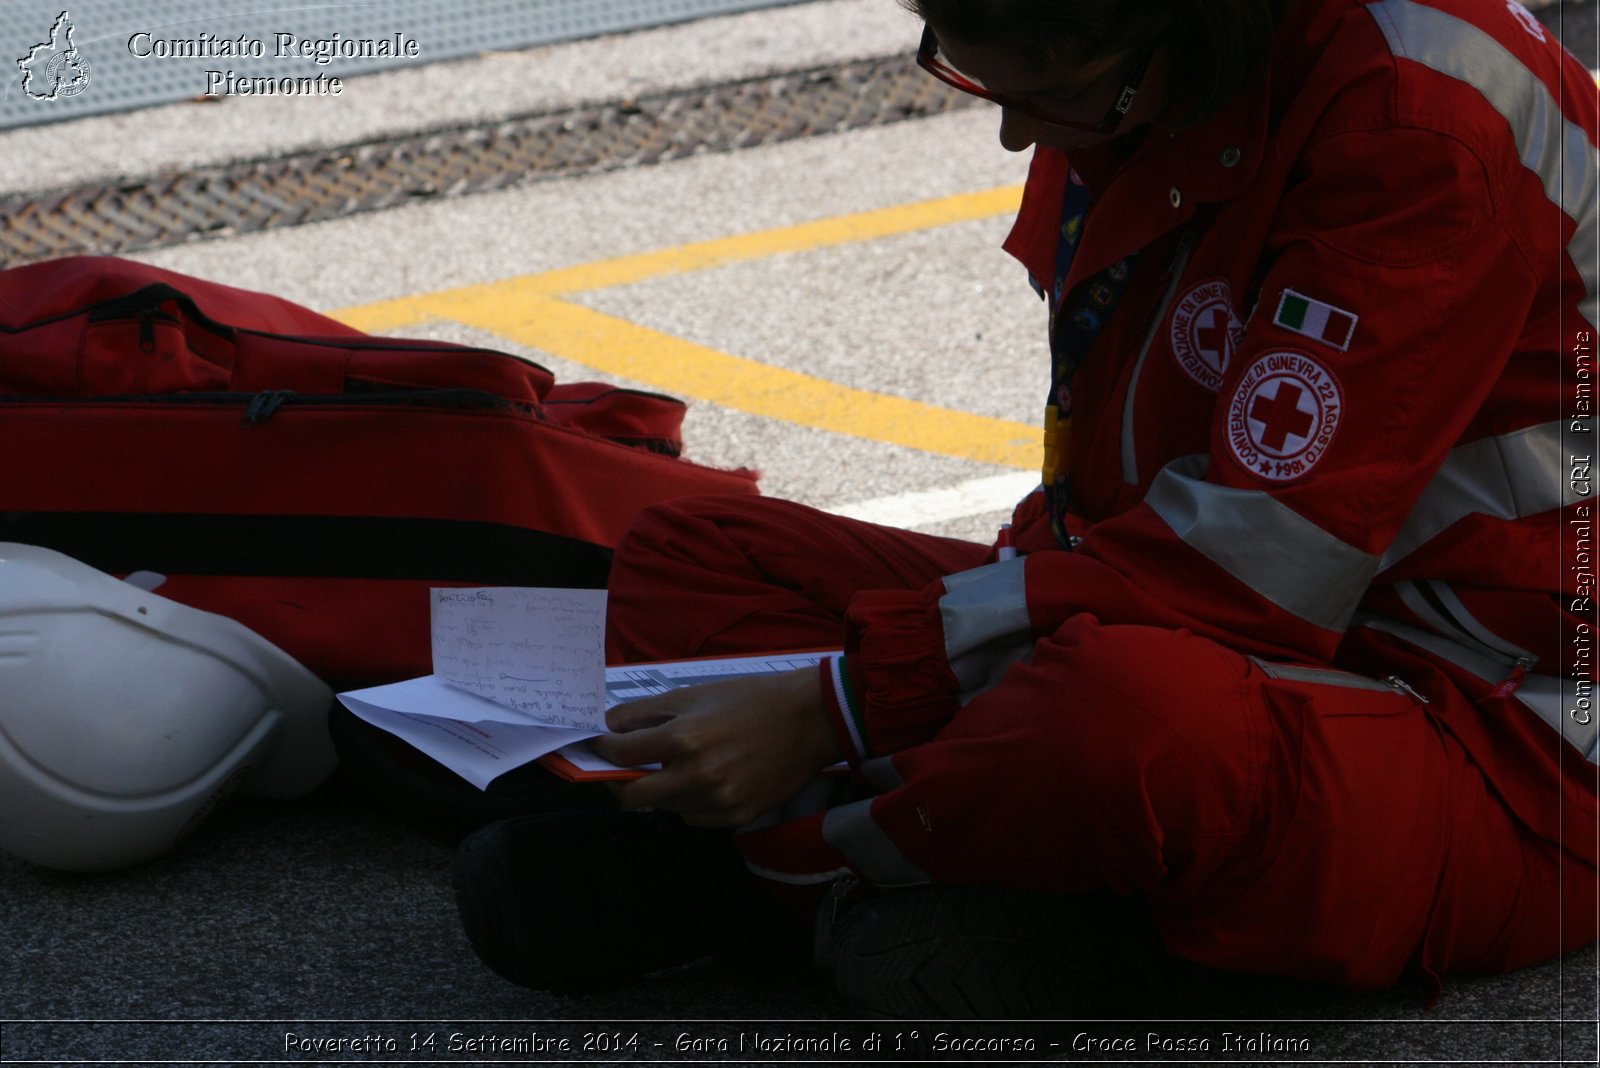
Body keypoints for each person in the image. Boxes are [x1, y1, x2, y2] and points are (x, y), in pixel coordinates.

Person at [451, 0, 1599, 1016]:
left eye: (1045, 93)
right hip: (1223, 619)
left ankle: (772, 879)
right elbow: (1103, 481)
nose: (1013, 134)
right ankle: (931, 877)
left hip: (1495, 726)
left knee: (1118, 718)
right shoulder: (1138, 79)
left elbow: (1259, 575)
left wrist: (844, 703)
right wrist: (950, 656)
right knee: (690, 553)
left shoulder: (1419, 113)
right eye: (974, 81)